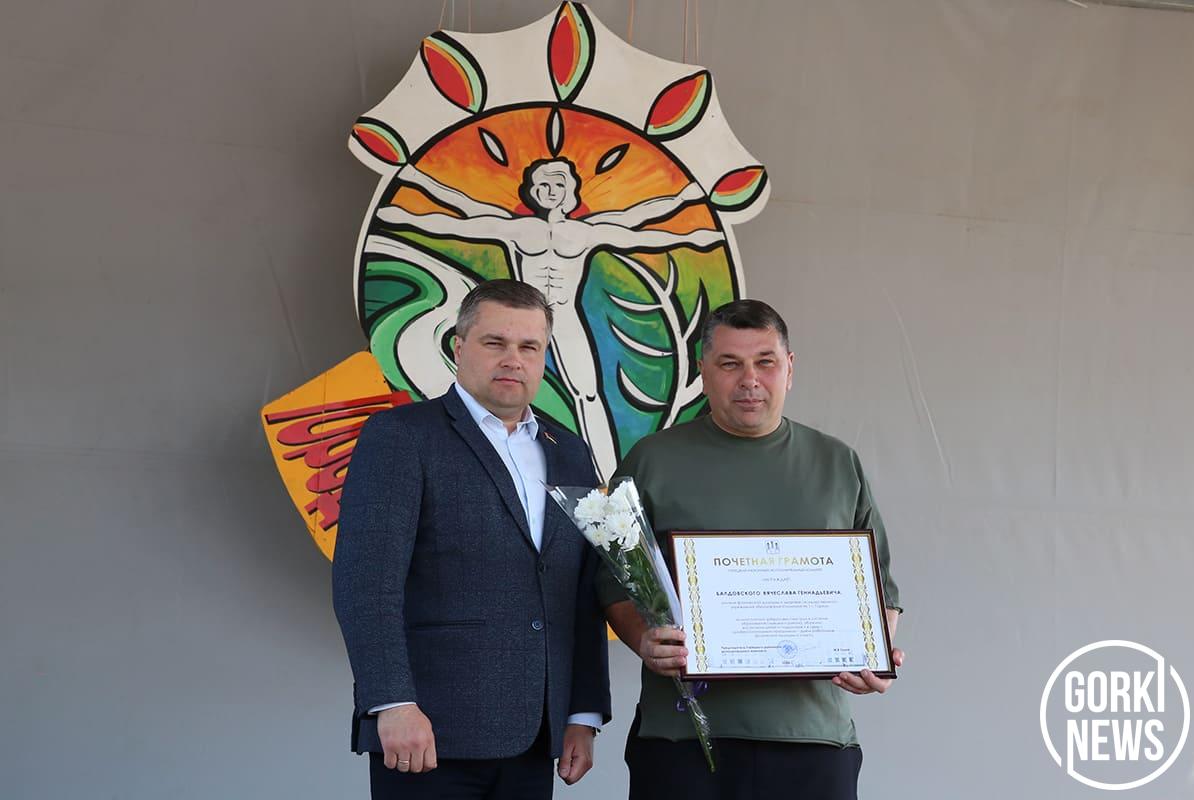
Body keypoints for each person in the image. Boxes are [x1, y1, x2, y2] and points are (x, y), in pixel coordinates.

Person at [600, 299, 905, 800]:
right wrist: (643, 640)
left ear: (790, 368)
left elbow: (881, 593)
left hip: (812, 738)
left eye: (765, 362)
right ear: (703, 371)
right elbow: (612, 584)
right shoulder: (652, 460)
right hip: (684, 738)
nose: (750, 380)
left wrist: (873, 654)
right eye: (730, 364)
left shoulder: (837, 463)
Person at [333, 279, 611, 799]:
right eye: (495, 342)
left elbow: (579, 591)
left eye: (529, 346)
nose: (513, 359)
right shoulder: (401, 436)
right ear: (459, 348)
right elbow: (365, 584)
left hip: (536, 736)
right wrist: (392, 702)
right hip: (428, 733)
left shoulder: (569, 451)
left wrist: (582, 713)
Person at [372, 157, 720, 476]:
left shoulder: (585, 232)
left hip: (563, 320)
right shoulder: (521, 229)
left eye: (558, 184)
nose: (550, 191)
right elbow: (464, 215)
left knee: (588, 394)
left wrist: (686, 202)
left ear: (571, 192)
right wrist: (413, 194)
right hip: (529, 320)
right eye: (543, 184)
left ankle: (605, 477)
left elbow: (638, 225)